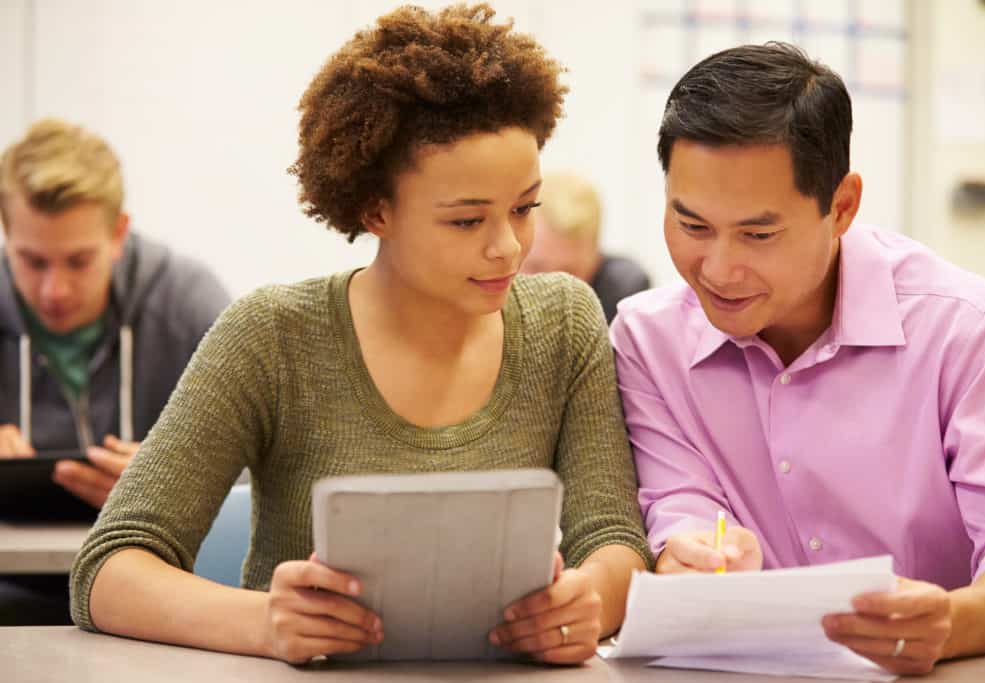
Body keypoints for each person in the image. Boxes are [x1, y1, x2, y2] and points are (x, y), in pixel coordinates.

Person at [70, 3, 652, 665]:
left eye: (524, 209)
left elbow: (614, 538)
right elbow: (108, 569)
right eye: (466, 221)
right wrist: (265, 622)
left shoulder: (565, 322)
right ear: (377, 210)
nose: (508, 248)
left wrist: (590, 599)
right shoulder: (272, 336)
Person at [610, 42, 985, 676]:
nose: (717, 270)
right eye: (692, 226)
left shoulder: (967, 330)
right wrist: (686, 554)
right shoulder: (647, 339)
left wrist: (952, 622)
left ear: (843, 207)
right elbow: (679, 505)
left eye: (758, 234)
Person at [0, 118, 230, 624]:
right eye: (32, 262)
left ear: (118, 234)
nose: (53, 291)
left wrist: (172, 485)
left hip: (161, 588)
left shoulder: (191, 305)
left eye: (78, 261)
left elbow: (268, 477)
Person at [521, 171, 649, 322]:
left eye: (569, 273)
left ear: (596, 258)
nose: (550, 290)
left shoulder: (625, 296)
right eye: (536, 267)